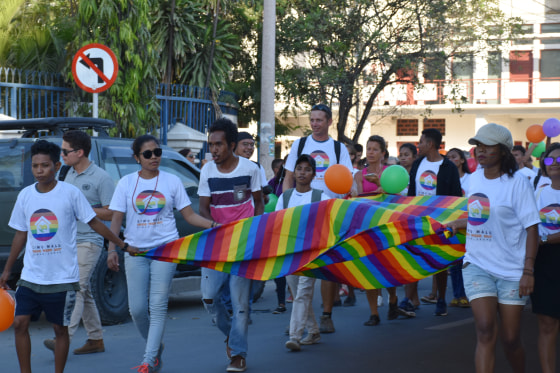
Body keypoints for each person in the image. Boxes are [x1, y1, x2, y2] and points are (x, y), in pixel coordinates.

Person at [0, 140, 131, 373]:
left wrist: (121, 244)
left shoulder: (70, 194)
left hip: (61, 277)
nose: (39, 171)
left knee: (60, 330)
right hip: (31, 275)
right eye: (35, 166)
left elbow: (93, 222)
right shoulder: (25, 196)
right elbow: (21, 233)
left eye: (45, 166)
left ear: (57, 166)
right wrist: (8, 269)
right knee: (20, 324)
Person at [107, 134, 216, 373]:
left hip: (166, 249)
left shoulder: (171, 181)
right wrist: (112, 249)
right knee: (136, 309)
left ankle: (148, 360)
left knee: (157, 305)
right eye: (148, 154)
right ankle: (155, 347)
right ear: (137, 158)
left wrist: (213, 226)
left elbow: (189, 216)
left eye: (157, 152)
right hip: (135, 251)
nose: (154, 157)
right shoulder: (126, 183)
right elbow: (116, 219)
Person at [447, 123, 540, 373]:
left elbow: (532, 228)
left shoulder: (518, 183)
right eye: (478, 145)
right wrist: (458, 222)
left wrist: (528, 271)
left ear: (503, 151)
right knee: (485, 329)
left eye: (487, 146)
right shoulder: (473, 179)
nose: (480, 150)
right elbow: (481, 216)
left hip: (512, 271)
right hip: (477, 264)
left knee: (510, 339)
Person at [199, 118, 264, 372]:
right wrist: (211, 226)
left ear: (232, 145)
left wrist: (256, 233)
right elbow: (204, 207)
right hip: (215, 245)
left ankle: (238, 354)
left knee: (240, 305)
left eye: (219, 144)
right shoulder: (207, 171)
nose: (214, 150)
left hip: (243, 246)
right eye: (211, 144)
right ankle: (232, 337)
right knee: (208, 298)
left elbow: (258, 202)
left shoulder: (250, 169)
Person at [282, 103, 353, 334]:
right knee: (297, 269)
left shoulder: (338, 148)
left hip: (328, 212)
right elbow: (288, 177)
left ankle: (326, 314)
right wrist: (285, 204)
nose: (314, 124)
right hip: (300, 212)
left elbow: (346, 181)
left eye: (319, 120)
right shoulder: (300, 144)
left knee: (326, 265)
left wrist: (339, 208)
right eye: (312, 119)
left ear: (329, 122)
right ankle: (302, 321)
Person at [43, 131, 114, 355]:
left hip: (90, 241)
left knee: (77, 288)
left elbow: (112, 213)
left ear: (80, 152)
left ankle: (63, 338)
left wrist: (85, 210)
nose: (61, 155)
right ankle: (96, 339)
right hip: (68, 241)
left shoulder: (101, 178)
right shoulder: (67, 173)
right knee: (86, 292)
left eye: (65, 151)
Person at [401, 128, 462, 318]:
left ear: (431, 144)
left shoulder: (448, 167)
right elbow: (412, 192)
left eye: (421, 142)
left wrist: (453, 221)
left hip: (441, 223)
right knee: (414, 258)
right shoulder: (418, 163)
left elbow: (456, 197)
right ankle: (408, 300)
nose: (419, 145)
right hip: (417, 220)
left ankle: (441, 299)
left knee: (439, 262)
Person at [280, 154, 330, 351]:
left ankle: (295, 335)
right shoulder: (285, 197)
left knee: (302, 293)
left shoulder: (321, 197)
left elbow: (328, 224)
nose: (302, 172)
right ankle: (314, 331)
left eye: (307, 169)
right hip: (289, 254)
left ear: (313, 174)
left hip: (311, 254)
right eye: (299, 168)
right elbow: (276, 224)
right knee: (298, 293)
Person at [354, 135, 403, 324]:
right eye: (368, 149)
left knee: (387, 267)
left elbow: (398, 198)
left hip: (386, 225)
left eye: (375, 149)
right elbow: (358, 199)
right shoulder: (359, 174)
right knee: (368, 268)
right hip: (366, 225)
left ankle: (393, 298)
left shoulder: (390, 173)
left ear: (383, 153)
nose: (371, 153)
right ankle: (374, 313)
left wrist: (378, 185)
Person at [531, 143, 560, 373]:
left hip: (549, 249)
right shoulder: (538, 191)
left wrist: (544, 240)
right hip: (545, 262)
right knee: (547, 324)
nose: (554, 164)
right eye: (550, 160)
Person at [445, 148, 472, 309]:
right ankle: (457, 295)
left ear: (462, 160)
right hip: (453, 223)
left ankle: (467, 294)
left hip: (469, 224)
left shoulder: (471, 179)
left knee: (466, 262)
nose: (450, 160)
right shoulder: (447, 178)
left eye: (454, 157)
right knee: (454, 261)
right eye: (448, 157)